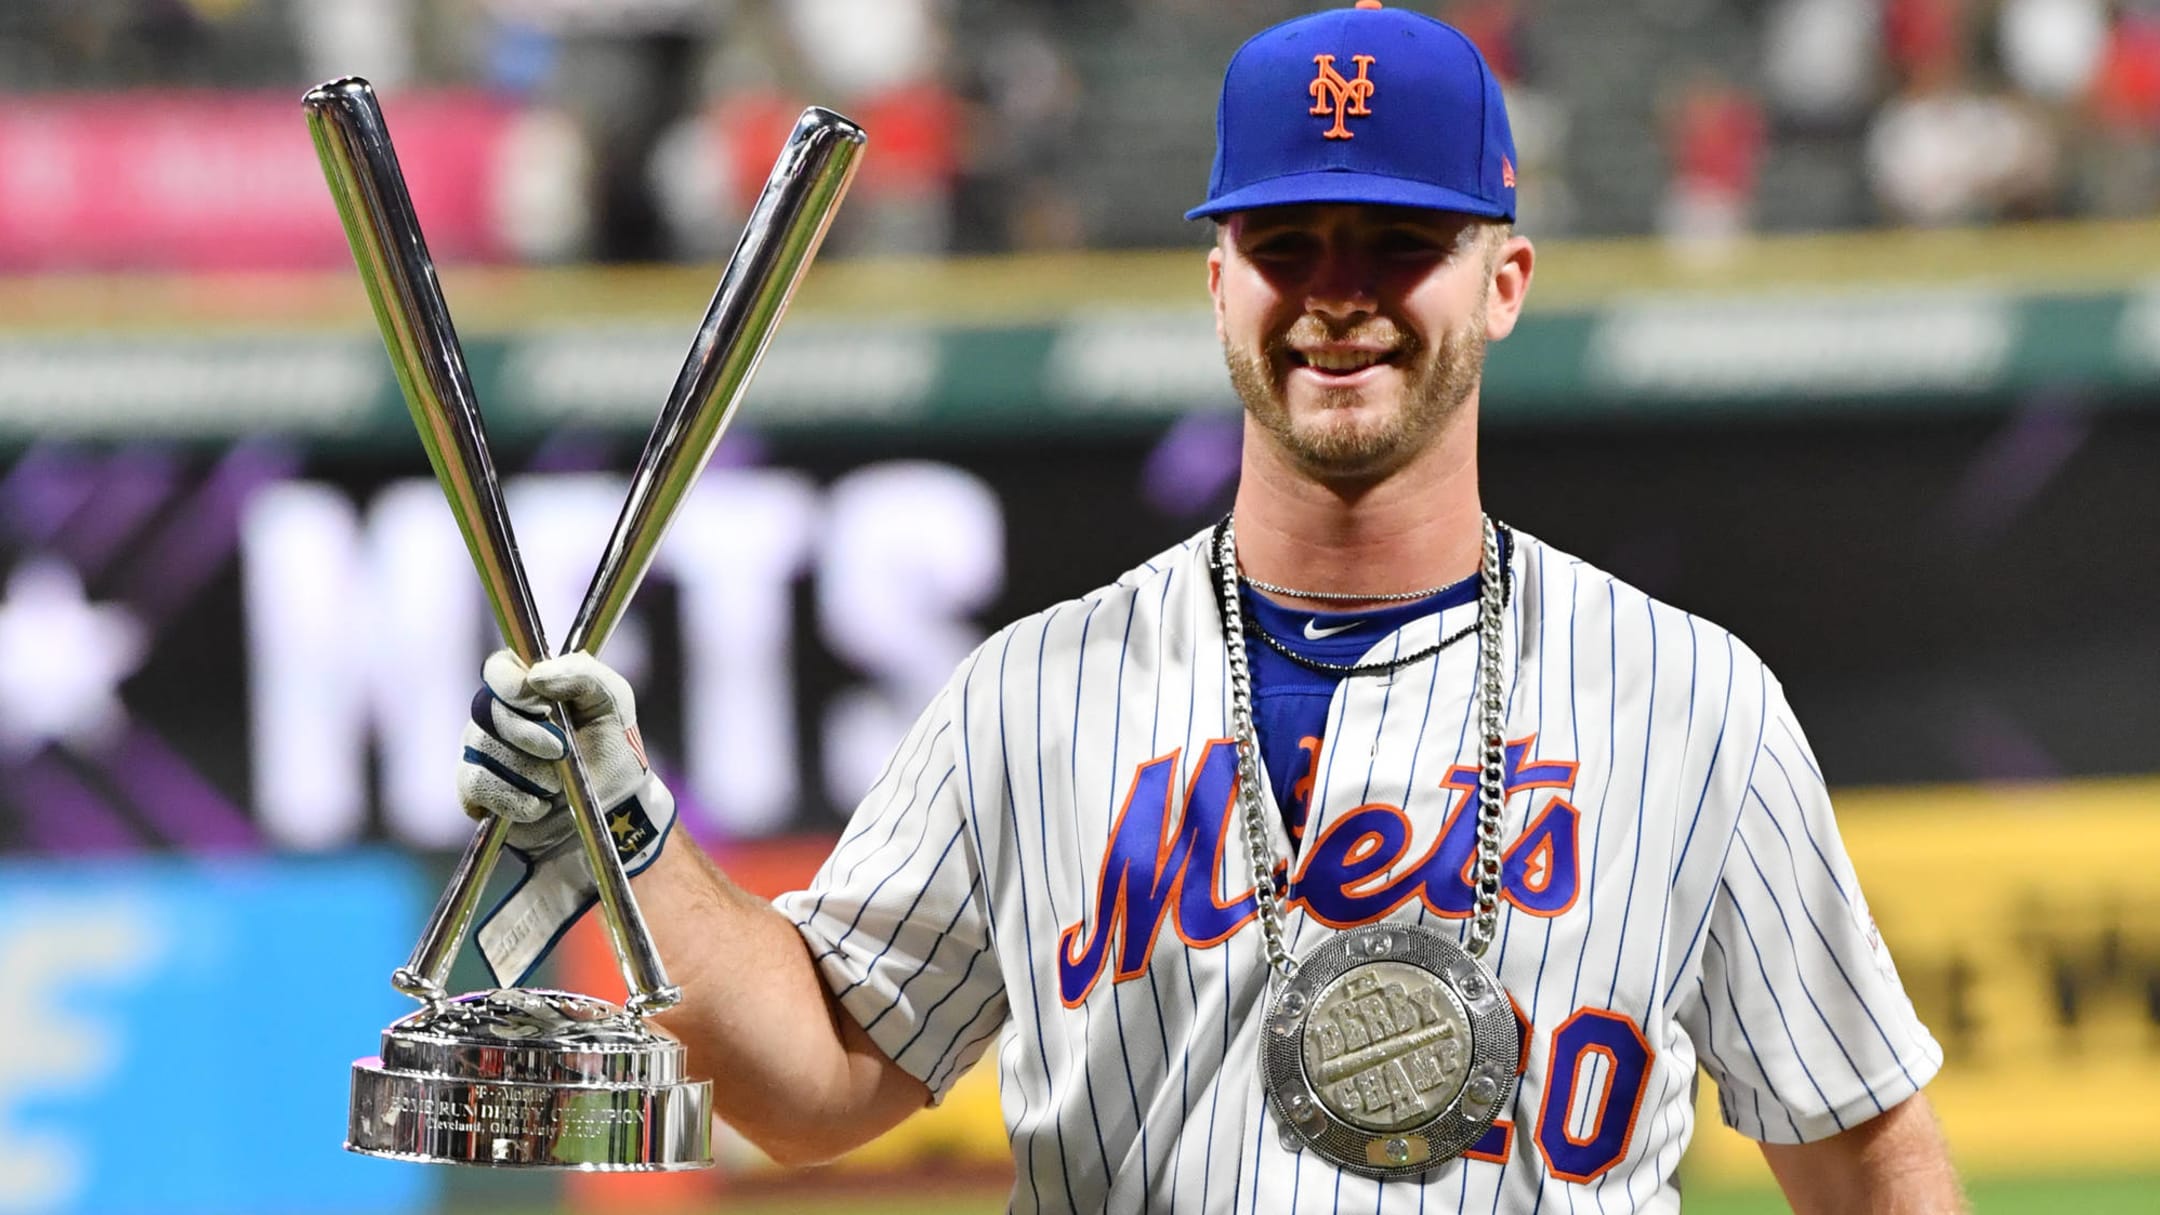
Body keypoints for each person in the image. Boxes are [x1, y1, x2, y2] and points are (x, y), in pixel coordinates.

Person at [457, 4, 1965, 1209]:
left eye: (1399, 243)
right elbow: (817, 1084)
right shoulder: (1031, 694)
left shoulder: (1695, 703)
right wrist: (628, 833)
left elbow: (1864, 1154)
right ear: (1217, 279)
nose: (1338, 292)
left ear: (1504, 279)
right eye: (1287, 243)